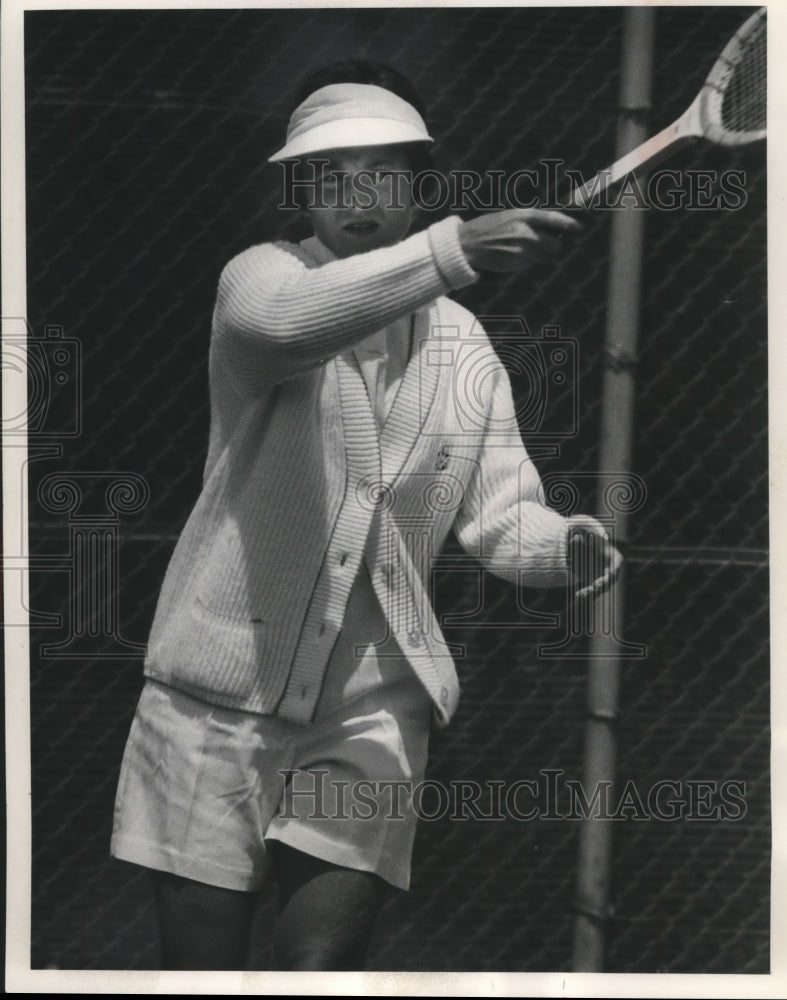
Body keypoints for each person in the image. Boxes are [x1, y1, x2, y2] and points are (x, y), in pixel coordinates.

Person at [110, 59, 622, 971]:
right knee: (199, 972)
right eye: (329, 174)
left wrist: (564, 547)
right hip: (214, 700)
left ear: (418, 188)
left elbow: (501, 516)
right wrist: (452, 250)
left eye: (385, 171)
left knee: (319, 972)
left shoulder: (465, 343)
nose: (358, 193)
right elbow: (283, 326)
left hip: (373, 711)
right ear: (298, 193)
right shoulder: (257, 282)